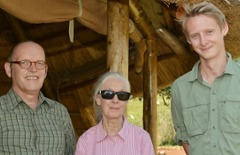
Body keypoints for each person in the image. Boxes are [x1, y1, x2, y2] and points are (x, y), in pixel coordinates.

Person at [171, 1, 240, 155]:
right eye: (195, 35)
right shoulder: (179, 89)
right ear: (189, 39)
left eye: (209, 32)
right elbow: (186, 141)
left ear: (224, 28)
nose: (203, 42)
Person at [0, 41, 76, 154]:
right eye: (24, 62)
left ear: (45, 71)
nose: (33, 69)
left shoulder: (59, 111)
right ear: (9, 69)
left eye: (39, 63)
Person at [74, 72, 155, 155]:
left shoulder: (142, 138)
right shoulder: (86, 141)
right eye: (108, 94)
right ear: (98, 99)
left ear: (127, 100)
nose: (115, 100)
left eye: (122, 95)